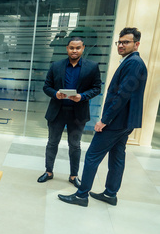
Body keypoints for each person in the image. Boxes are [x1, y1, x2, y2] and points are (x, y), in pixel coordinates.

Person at [58, 27, 148, 207]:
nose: (121, 45)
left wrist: (104, 120)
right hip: (125, 122)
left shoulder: (134, 63)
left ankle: (81, 196)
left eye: (126, 42)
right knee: (117, 156)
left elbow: (122, 95)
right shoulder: (130, 61)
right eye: (120, 42)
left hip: (116, 122)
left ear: (136, 44)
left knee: (92, 156)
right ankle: (110, 193)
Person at [37, 37, 102, 187]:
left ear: (83, 48)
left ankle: (73, 176)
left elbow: (97, 88)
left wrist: (82, 96)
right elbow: (47, 86)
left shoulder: (92, 67)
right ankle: (48, 172)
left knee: (75, 145)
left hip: (77, 114)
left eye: (78, 48)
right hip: (57, 112)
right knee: (52, 142)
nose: (74, 51)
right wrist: (55, 94)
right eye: (71, 48)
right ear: (67, 48)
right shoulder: (56, 66)